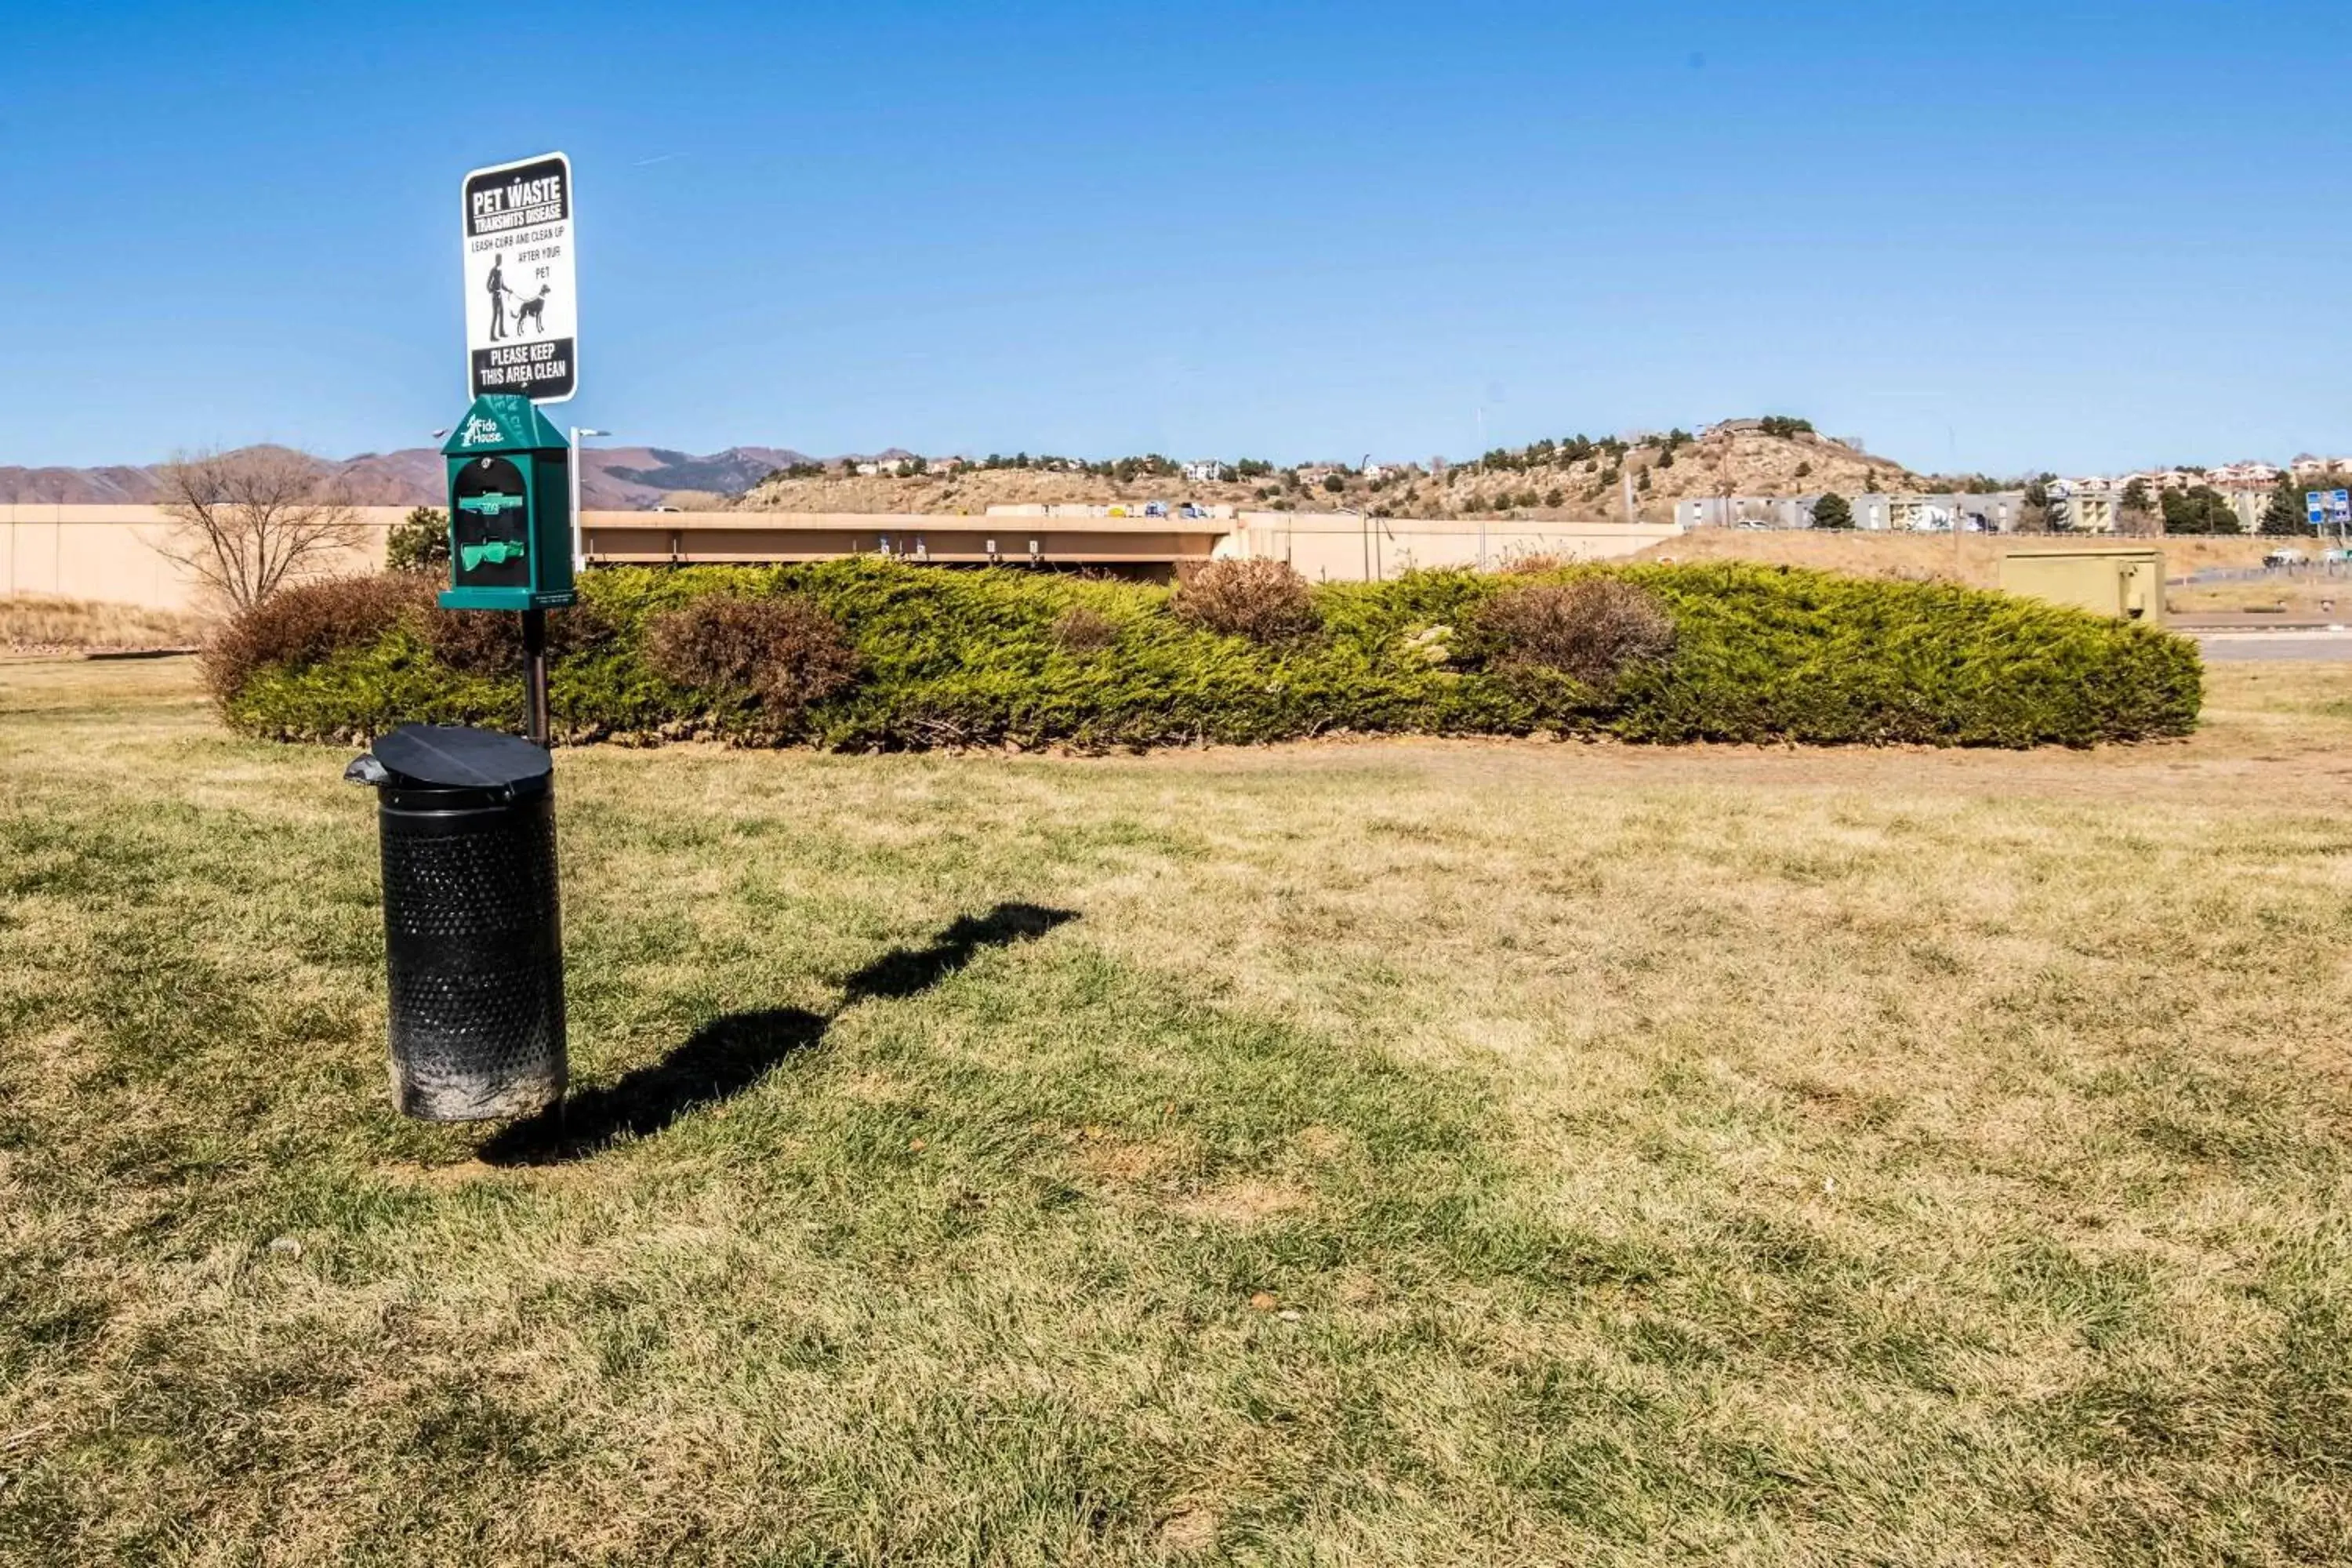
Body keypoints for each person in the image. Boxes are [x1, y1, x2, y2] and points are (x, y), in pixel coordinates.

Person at [487, 255, 506, 340]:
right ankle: (492, 336)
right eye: (498, 259)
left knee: (502, 313)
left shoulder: (500, 271)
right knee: (495, 315)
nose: (500, 261)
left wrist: (508, 290)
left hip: (500, 295)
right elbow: (488, 284)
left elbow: (502, 285)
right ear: (496, 260)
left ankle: (501, 332)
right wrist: (492, 291)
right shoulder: (493, 270)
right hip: (495, 296)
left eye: (501, 259)